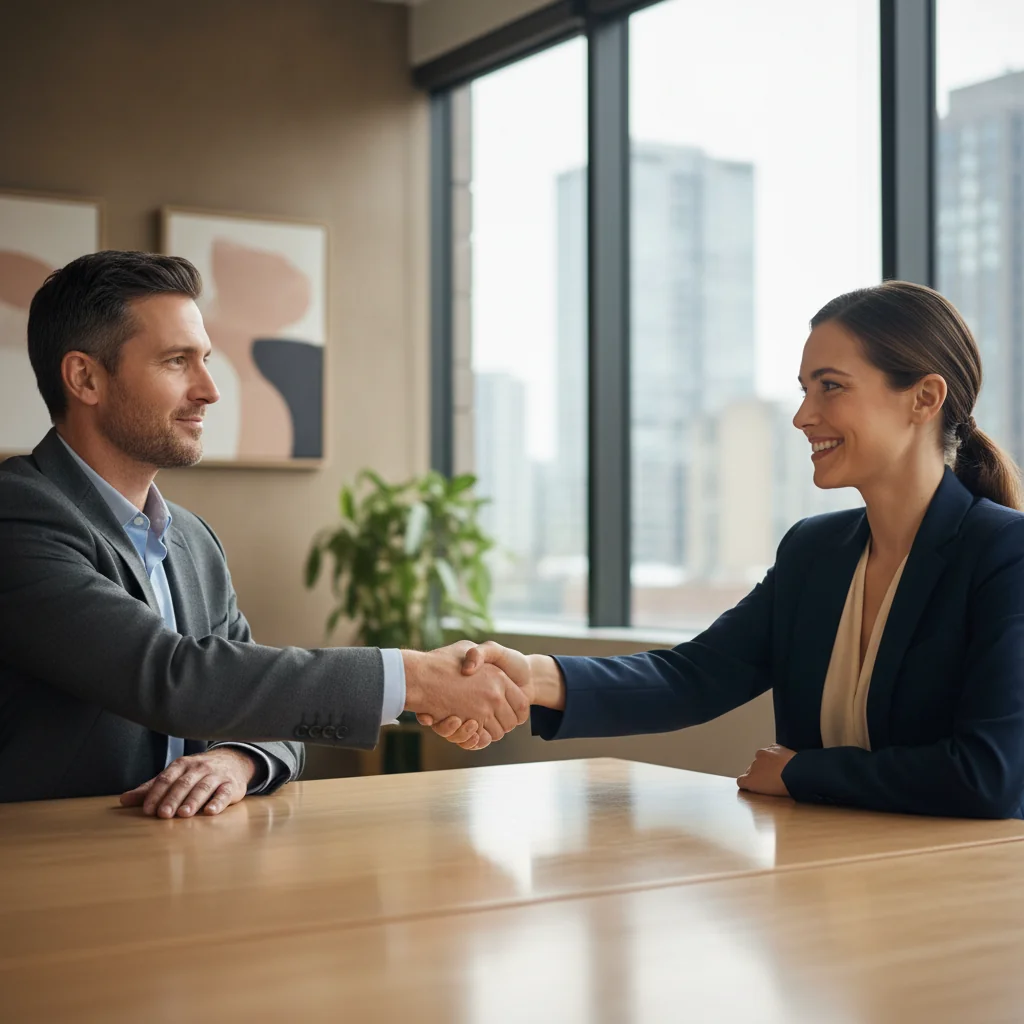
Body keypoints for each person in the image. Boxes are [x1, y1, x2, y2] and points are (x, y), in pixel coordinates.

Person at [426, 281, 1024, 820]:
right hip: (822, 879)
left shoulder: (1005, 554)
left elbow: (987, 776)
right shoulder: (815, 552)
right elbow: (693, 678)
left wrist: (798, 773)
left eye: (831, 387)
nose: (803, 416)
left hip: (957, 889)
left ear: (924, 398)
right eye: (804, 390)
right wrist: (529, 676)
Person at [0, 251, 527, 812]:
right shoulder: (18, 514)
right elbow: (172, 677)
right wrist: (414, 677)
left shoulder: (192, 540)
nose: (210, 389)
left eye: (205, 359)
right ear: (85, 378)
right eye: (177, 361)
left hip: (186, 854)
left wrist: (238, 760)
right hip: (51, 857)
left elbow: (260, 700)